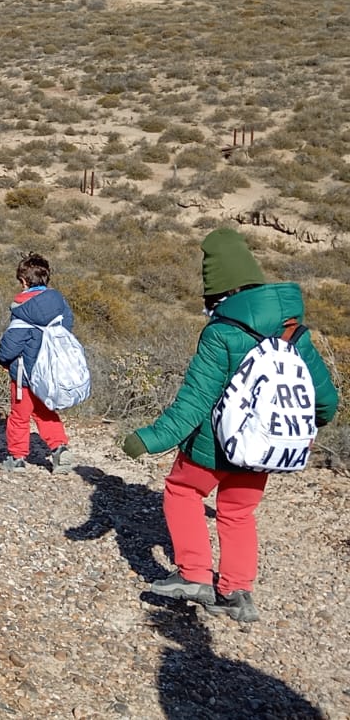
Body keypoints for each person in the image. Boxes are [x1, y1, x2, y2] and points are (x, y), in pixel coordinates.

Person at [121, 228, 339, 624]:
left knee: (182, 490)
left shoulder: (221, 332)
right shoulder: (294, 330)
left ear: (216, 290)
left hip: (214, 445)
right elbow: (326, 402)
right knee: (238, 513)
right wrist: (299, 425)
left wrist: (149, 439)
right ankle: (238, 594)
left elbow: (194, 402)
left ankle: (194, 575)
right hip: (264, 449)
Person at [0, 252, 74, 471]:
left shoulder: (22, 310)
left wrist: (3, 360)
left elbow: (11, 344)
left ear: (23, 281)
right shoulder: (59, 304)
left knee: (19, 416)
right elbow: (67, 327)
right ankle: (59, 448)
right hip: (50, 369)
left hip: (24, 373)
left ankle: (17, 458)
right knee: (45, 410)